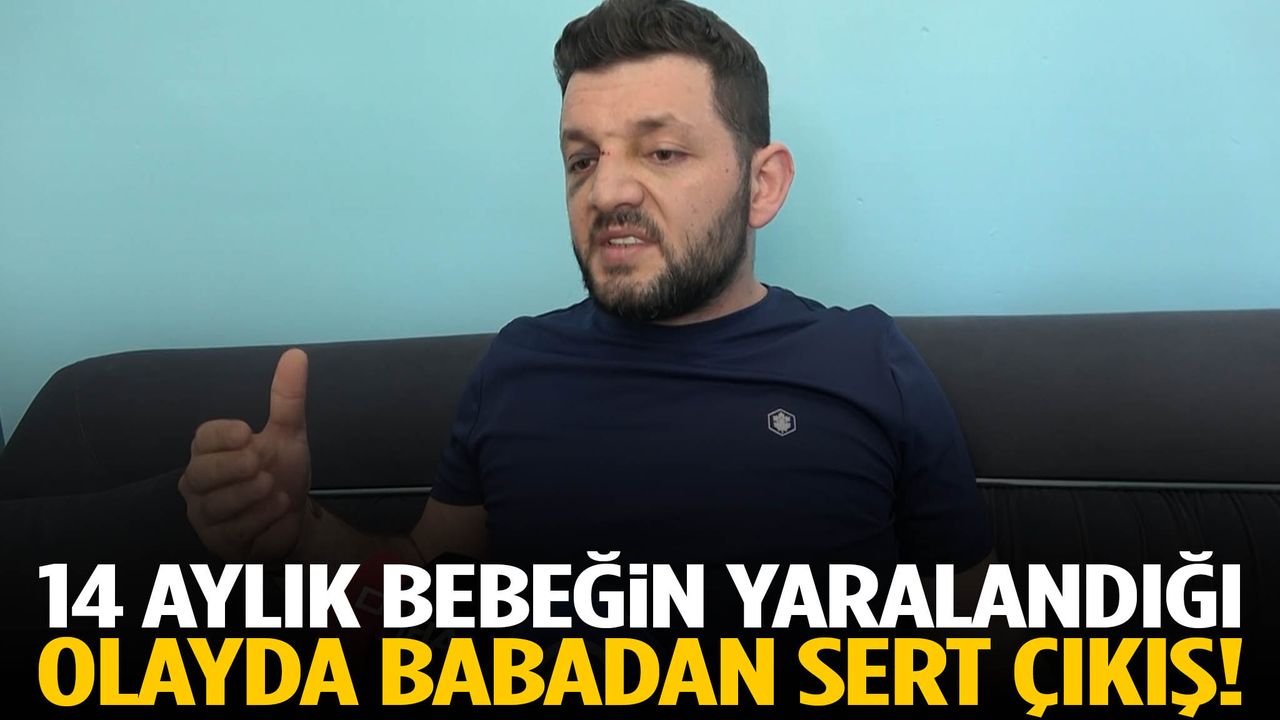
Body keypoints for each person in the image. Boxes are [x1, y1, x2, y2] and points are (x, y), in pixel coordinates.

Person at [179, 0, 992, 580]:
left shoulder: (866, 358)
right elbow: (424, 593)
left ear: (762, 185)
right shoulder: (519, 365)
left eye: (661, 152)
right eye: (582, 159)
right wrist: (299, 535)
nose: (606, 192)